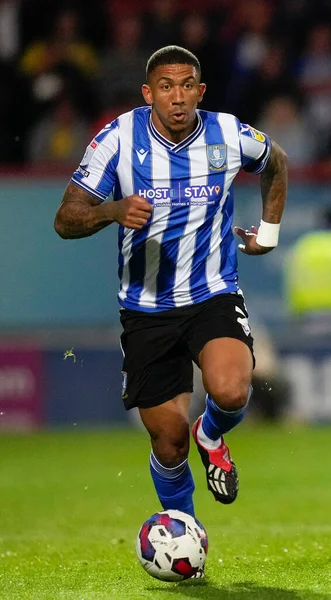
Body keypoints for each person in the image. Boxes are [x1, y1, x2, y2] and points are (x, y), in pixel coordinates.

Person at [54, 46, 287, 537]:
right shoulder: (118, 138)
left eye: (187, 87)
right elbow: (65, 219)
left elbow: (276, 162)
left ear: (200, 92)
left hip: (213, 294)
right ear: (148, 93)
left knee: (229, 390)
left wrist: (268, 234)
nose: (177, 97)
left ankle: (213, 433)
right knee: (168, 441)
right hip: (146, 310)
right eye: (166, 87)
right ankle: (186, 530)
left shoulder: (226, 133)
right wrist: (110, 211)